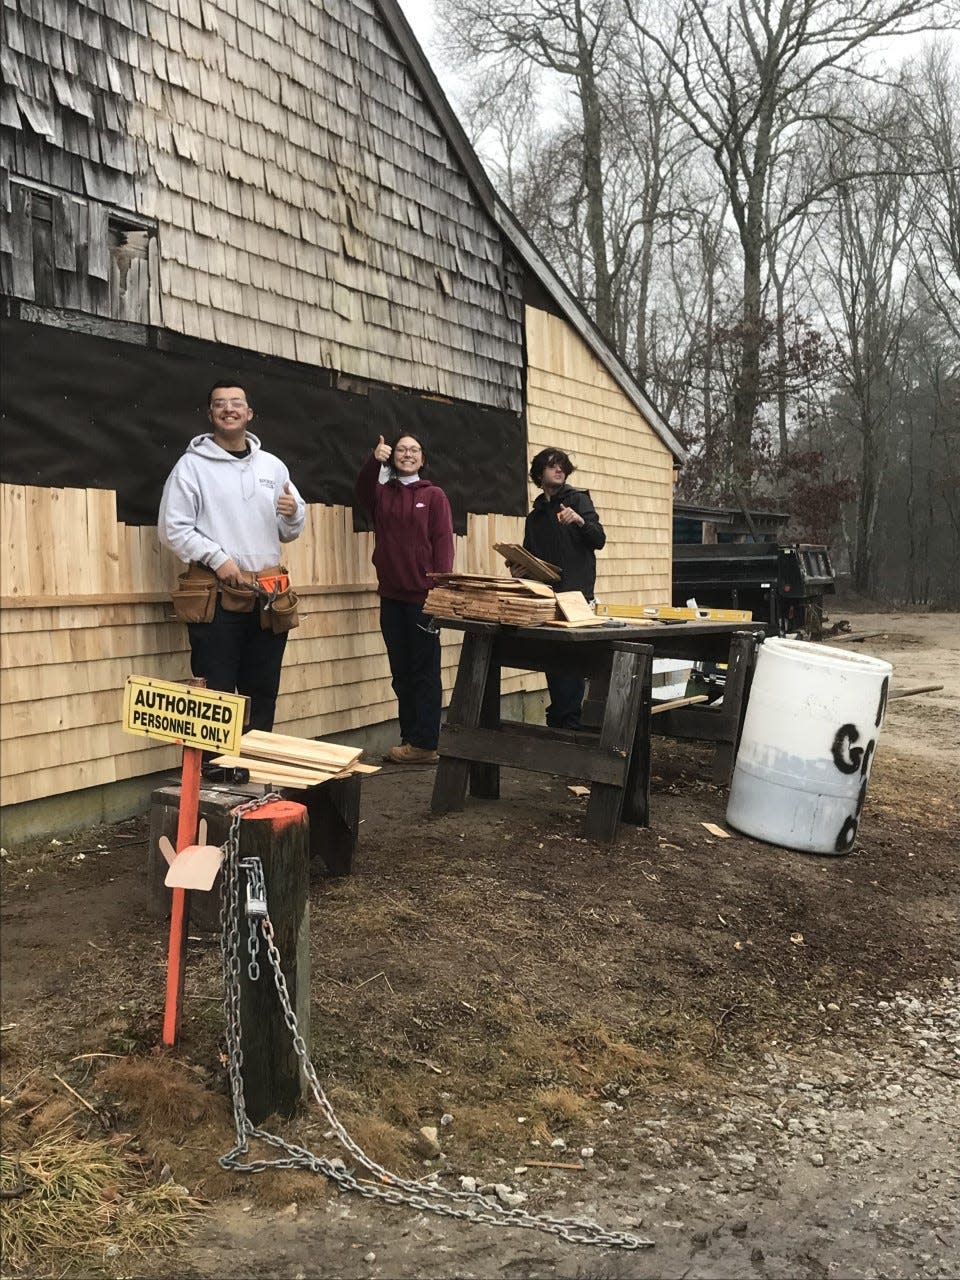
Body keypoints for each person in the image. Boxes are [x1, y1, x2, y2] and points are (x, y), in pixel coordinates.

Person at [159, 380, 306, 781]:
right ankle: (215, 772)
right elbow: (173, 528)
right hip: (217, 592)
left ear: (249, 413)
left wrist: (293, 513)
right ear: (210, 415)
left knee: (263, 688)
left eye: (236, 403)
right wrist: (218, 558)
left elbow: (288, 529)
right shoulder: (192, 467)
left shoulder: (272, 467)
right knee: (217, 689)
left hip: (268, 594)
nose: (229, 409)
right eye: (220, 404)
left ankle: (254, 766)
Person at [355, 432, 454, 763]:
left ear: (423, 459)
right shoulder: (383, 495)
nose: (407, 454)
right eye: (401, 449)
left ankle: (426, 742)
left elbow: (443, 543)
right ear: (392, 455)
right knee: (401, 672)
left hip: (423, 598)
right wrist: (374, 459)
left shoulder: (434, 495)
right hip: (391, 597)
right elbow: (362, 490)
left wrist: (439, 590)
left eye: (414, 450)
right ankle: (410, 737)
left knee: (424, 671)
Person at [522, 447, 606, 729]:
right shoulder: (535, 516)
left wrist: (580, 521)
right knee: (552, 660)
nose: (558, 469)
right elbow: (529, 554)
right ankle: (560, 720)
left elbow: (599, 539)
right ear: (539, 473)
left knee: (573, 662)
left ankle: (568, 723)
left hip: (577, 596)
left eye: (562, 466)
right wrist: (519, 567)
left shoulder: (578, 500)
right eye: (551, 465)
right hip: (546, 596)